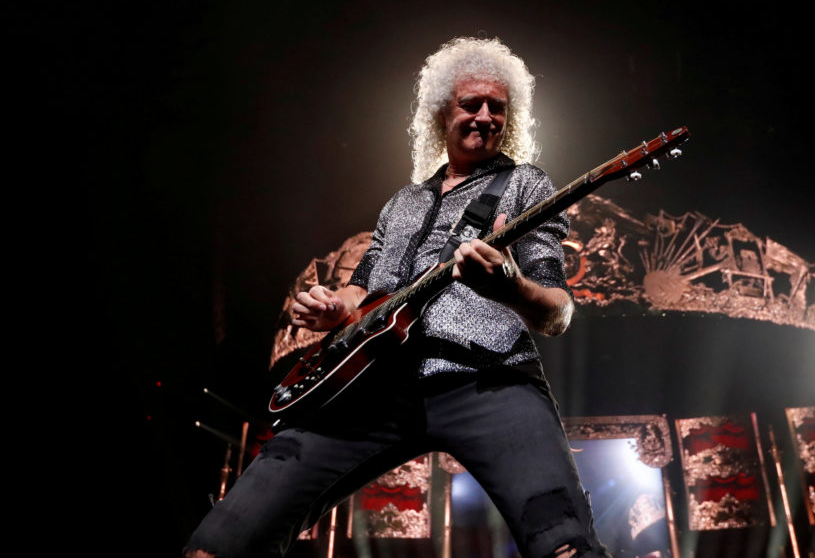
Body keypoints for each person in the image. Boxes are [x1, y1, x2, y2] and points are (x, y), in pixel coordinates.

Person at [185, 37, 609, 558]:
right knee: (221, 545)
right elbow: (361, 288)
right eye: (470, 104)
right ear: (439, 113)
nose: (484, 116)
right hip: (371, 385)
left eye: (496, 107)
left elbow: (558, 311)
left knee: (564, 545)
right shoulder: (402, 203)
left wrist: (512, 287)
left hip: (489, 379)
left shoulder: (526, 184)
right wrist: (332, 307)